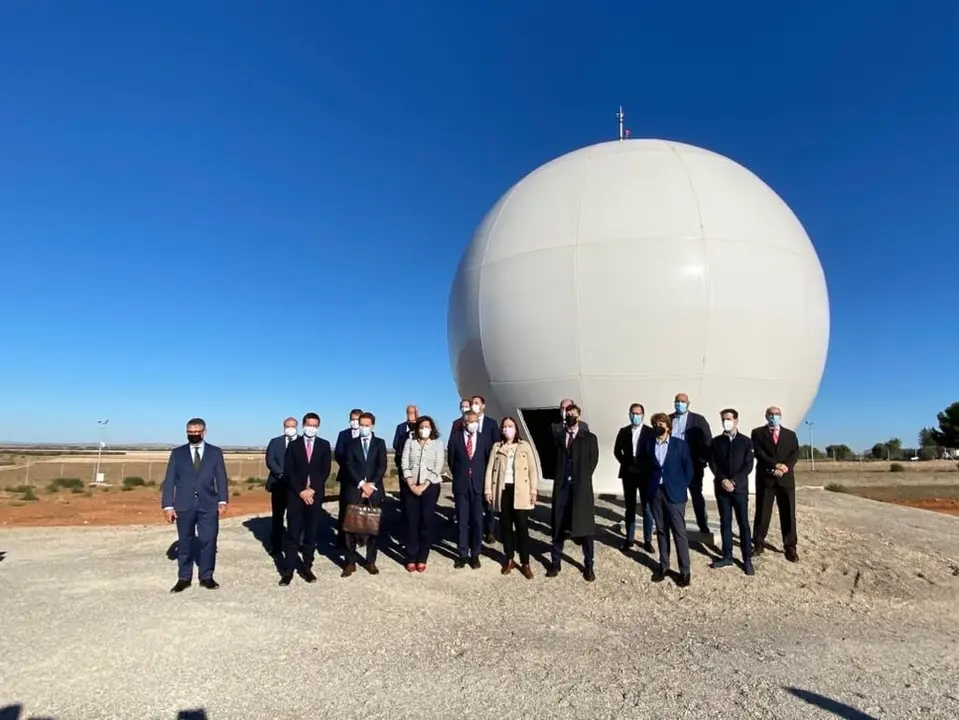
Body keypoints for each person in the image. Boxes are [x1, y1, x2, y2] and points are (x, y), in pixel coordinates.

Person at [161, 418, 229, 593]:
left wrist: (223, 500)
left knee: (209, 540)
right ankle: (184, 578)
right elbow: (169, 480)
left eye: (196, 432)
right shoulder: (178, 453)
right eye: (190, 432)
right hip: (184, 504)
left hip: (208, 504)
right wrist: (167, 505)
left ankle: (206, 576)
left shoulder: (215, 452)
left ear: (204, 432)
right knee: (185, 541)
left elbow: (221, 478)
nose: (193, 435)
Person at [547, 404, 599, 582]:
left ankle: (589, 564)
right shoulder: (559, 437)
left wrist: (581, 477)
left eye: (573, 413)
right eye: (568, 413)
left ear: (579, 415)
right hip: (562, 486)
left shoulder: (589, 438)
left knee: (585, 526)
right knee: (558, 523)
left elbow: (593, 461)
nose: (570, 416)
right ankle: (555, 562)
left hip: (581, 487)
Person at [278, 412, 331, 586]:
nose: (312, 428)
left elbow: (325, 471)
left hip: (314, 496)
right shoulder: (294, 446)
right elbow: (289, 471)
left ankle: (307, 568)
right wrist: (301, 491)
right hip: (295, 496)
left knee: (310, 534)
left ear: (318, 427)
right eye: (309, 425)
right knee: (293, 534)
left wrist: (312, 490)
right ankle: (288, 571)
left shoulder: (324, 445)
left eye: (315, 425)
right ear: (303, 425)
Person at [641, 413, 693, 587]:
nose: (658, 426)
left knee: (679, 532)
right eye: (655, 423)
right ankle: (663, 566)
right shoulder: (648, 445)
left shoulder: (679, 444)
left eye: (661, 423)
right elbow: (646, 467)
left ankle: (685, 571)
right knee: (662, 530)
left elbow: (689, 468)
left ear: (668, 426)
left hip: (675, 494)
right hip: (656, 493)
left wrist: (681, 485)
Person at [485, 417, 539, 579]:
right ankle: (509, 559)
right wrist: (488, 490)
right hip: (503, 490)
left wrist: (533, 490)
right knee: (506, 527)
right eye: (505, 426)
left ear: (516, 428)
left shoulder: (524, 446)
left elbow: (532, 469)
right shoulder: (497, 447)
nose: (507, 429)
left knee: (522, 527)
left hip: (520, 490)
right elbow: (490, 469)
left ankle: (525, 562)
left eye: (510, 426)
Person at [708, 409, 756, 575]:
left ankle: (747, 559)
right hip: (722, 489)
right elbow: (713, 463)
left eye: (728, 419)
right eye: (723, 419)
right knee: (725, 522)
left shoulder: (745, 442)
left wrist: (734, 481)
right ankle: (727, 555)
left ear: (736, 420)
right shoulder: (716, 442)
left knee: (743, 523)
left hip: (739, 489)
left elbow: (748, 465)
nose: (725, 422)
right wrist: (723, 480)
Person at [751, 406, 801, 562]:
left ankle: (790, 547)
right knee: (763, 512)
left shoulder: (790, 435)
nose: (773, 416)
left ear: (781, 416)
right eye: (771, 414)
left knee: (788, 514)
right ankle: (758, 543)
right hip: (766, 479)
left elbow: (794, 453)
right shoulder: (758, 433)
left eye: (776, 414)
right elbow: (759, 453)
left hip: (785, 479)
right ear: (766, 416)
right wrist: (775, 465)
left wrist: (786, 466)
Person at [342, 412, 387, 577]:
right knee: (350, 528)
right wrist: (361, 484)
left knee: (373, 527)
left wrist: (371, 485)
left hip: (373, 490)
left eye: (367, 425)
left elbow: (382, 466)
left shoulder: (380, 443)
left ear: (372, 426)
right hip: (355, 489)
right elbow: (349, 465)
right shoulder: (351, 443)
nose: (363, 427)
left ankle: (370, 561)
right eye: (361, 424)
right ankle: (350, 562)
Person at [401, 415, 445, 572]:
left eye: (427, 426)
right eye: (421, 427)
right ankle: (411, 556)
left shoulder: (438, 444)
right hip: (411, 486)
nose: (424, 429)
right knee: (411, 522)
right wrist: (411, 483)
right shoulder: (410, 442)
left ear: (432, 428)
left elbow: (438, 465)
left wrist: (424, 485)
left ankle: (422, 557)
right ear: (417, 428)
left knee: (426, 522)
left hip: (430, 486)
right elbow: (404, 462)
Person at [447, 410, 488, 568]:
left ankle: (475, 554)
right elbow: (451, 461)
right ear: (464, 423)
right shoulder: (455, 439)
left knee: (477, 521)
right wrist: (461, 475)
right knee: (462, 521)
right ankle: (462, 554)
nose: (473, 424)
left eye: (475, 421)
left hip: (478, 485)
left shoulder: (484, 439)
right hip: (461, 485)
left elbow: (486, 460)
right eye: (470, 421)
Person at [613, 403, 655, 552]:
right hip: (628, 473)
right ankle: (629, 539)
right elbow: (617, 451)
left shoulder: (650, 432)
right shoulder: (623, 431)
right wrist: (626, 463)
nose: (635, 416)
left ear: (643, 415)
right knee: (630, 508)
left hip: (645, 475)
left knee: (647, 508)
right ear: (629, 414)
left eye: (638, 413)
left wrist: (646, 467)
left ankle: (647, 540)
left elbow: (653, 452)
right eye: (633, 413)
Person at [669, 393, 713, 535]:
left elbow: (707, 440)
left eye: (682, 401)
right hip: (674, 464)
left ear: (688, 403)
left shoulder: (698, 420)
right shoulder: (669, 419)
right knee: (674, 495)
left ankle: (703, 524)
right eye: (677, 401)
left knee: (696, 495)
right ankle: (674, 523)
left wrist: (702, 460)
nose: (679, 403)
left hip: (693, 464)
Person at [263, 417, 298, 557]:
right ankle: (276, 545)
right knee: (277, 517)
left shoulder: (302, 442)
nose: (290, 428)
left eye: (292, 426)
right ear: (283, 427)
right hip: (278, 484)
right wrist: (281, 474)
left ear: (297, 426)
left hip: (296, 487)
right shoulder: (275, 442)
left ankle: (294, 545)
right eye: (287, 426)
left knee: (294, 517)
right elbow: (270, 460)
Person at [470, 395, 498, 543]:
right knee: (474, 502)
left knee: (488, 502)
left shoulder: (491, 423)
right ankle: (475, 529)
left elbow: (496, 444)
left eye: (476, 403)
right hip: (473, 468)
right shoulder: (466, 422)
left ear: (483, 406)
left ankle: (489, 530)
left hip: (487, 467)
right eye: (472, 403)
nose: (473, 405)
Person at [334, 408, 363, 546]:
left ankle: (359, 537)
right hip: (347, 476)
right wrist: (350, 468)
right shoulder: (343, 434)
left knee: (361, 508)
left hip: (363, 479)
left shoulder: (368, 434)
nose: (355, 422)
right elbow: (338, 453)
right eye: (352, 419)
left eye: (357, 419)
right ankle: (342, 538)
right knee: (345, 507)